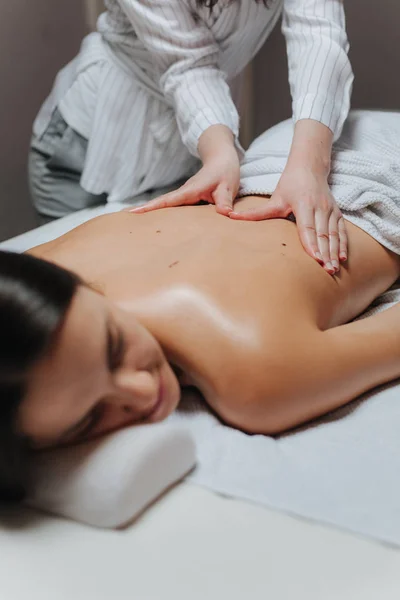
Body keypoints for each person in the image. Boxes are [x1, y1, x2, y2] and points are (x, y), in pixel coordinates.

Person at [3, 109, 400, 503]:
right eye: (89, 418)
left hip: (350, 168)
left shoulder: (254, 376)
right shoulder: (33, 269)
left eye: (114, 345)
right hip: (287, 145)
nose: (143, 391)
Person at [29, 0, 353, 273]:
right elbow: (187, 62)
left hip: (191, 148)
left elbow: (318, 32)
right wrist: (220, 152)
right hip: (84, 149)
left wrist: (310, 166)